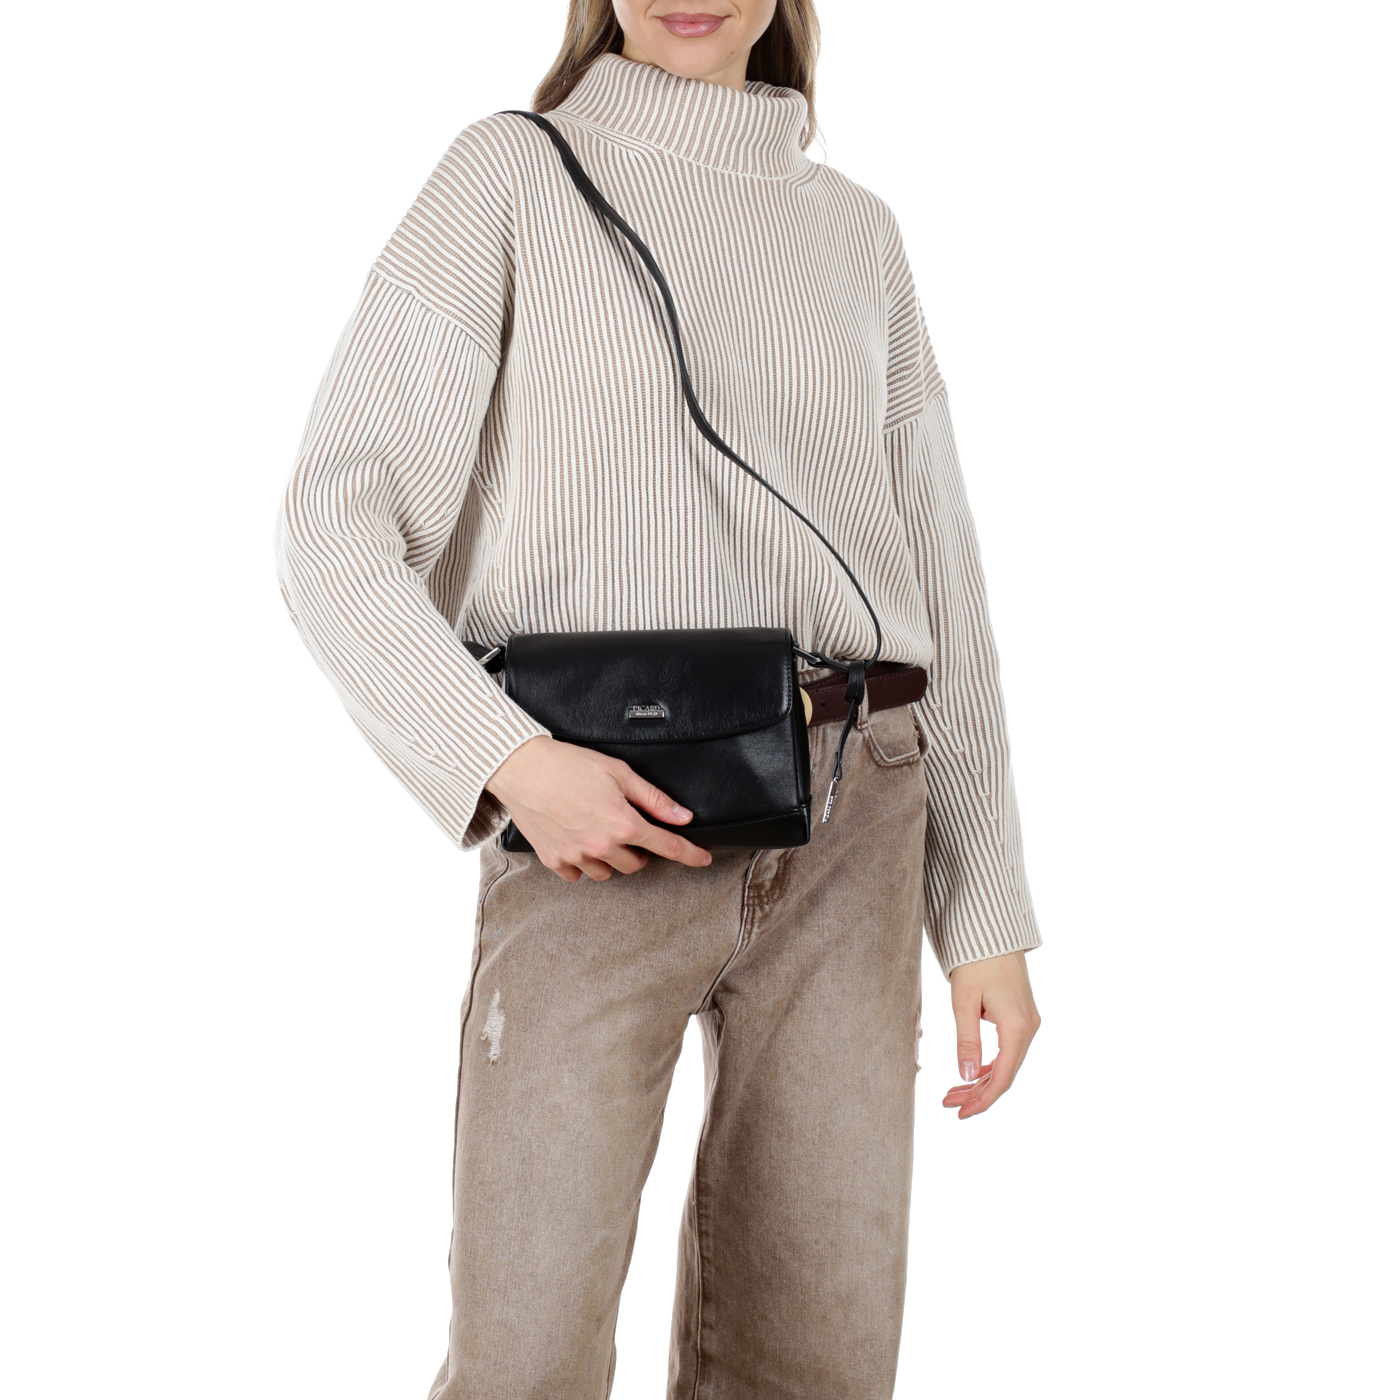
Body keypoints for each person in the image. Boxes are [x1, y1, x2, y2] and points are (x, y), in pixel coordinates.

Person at [275, 2, 1043, 1395]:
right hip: (597, 814)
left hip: (854, 812)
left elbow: (944, 584)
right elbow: (334, 522)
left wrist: (981, 910)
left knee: (815, 1358)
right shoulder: (508, 176)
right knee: (524, 1355)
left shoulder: (856, 234)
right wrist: (510, 761)